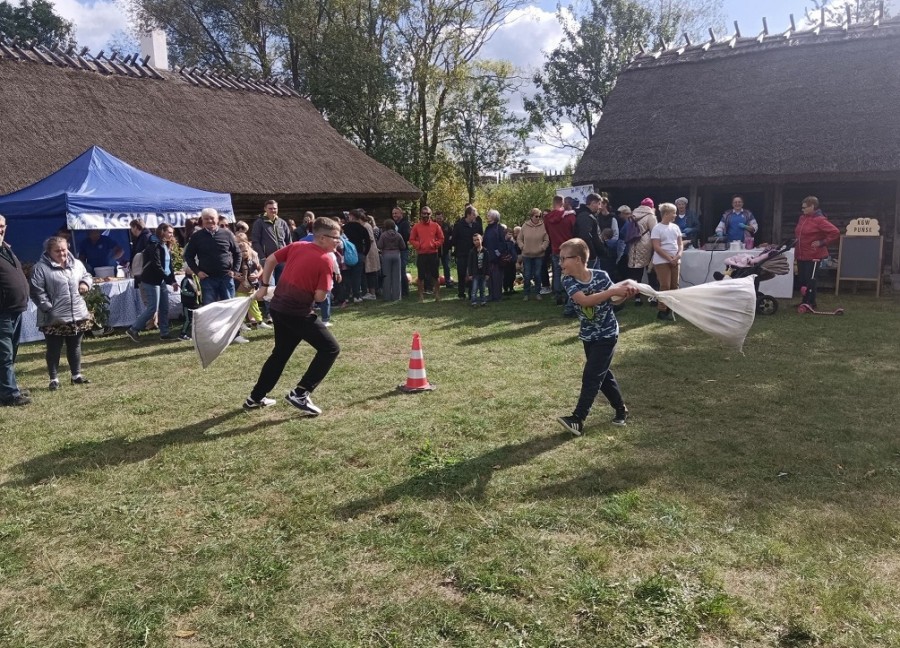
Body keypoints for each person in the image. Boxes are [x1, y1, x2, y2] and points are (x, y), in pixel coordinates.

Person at [244, 217, 342, 416]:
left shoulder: (297, 245)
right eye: (335, 238)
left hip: (278, 308)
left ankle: (255, 397)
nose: (337, 242)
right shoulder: (325, 260)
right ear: (322, 238)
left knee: (280, 354)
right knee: (330, 349)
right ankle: (300, 393)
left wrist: (263, 287)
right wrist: (326, 288)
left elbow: (270, 259)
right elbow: (320, 297)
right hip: (297, 312)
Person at [556, 237, 636, 436]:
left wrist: (624, 294)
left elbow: (614, 302)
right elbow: (584, 301)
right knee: (603, 375)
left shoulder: (601, 276)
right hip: (588, 336)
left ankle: (578, 419)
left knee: (592, 375)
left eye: (563, 258)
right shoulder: (567, 280)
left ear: (577, 259)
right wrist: (612, 292)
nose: (560, 263)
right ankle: (621, 410)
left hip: (607, 334)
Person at [30, 236, 94, 389]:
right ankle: (54, 379)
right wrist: (48, 308)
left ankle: (76, 375)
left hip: (77, 314)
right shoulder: (40, 268)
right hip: (53, 317)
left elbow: (87, 275)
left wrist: (85, 284)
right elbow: (36, 291)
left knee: (75, 346)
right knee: (54, 348)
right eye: (57, 251)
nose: (62, 253)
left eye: (64, 250)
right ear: (48, 252)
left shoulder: (77, 264)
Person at [183, 208, 246, 342]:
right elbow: (188, 255)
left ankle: (235, 335)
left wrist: (234, 270)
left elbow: (237, 253)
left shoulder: (227, 234)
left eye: (212, 218)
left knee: (230, 307)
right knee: (209, 309)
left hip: (226, 277)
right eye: (206, 218)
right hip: (208, 279)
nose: (209, 221)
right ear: (203, 221)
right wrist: (197, 271)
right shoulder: (197, 236)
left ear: (217, 219)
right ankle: (211, 335)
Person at [125, 223, 180, 342]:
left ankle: (164, 333)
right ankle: (133, 329)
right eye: (169, 232)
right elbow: (157, 265)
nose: (171, 235)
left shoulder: (165, 246)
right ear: (162, 232)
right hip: (151, 280)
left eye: (172, 233)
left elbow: (169, 266)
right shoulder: (154, 245)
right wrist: (169, 280)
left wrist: (173, 280)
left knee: (164, 307)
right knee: (152, 308)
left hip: (161, 280)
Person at [0, 214, 31, 406]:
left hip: (15, 309)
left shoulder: (6, 248)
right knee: (4, 353)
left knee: (11, 351)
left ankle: (7, 387)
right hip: (2, 312)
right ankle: (10, 394)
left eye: (2, 225)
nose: (0, 229)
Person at [794, 196, 840, 311]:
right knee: (802, 279)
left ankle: (810, 302)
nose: (802, 209)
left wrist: (822, 242)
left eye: (804, 207)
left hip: (813, 255)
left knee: (811, 280)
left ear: (812, 207)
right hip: (801, 254)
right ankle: (804, 301)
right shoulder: (802, 218)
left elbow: (835, 232)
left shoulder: (820, 220)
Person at [650, 202, 683, 321]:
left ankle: (672, 309)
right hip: (661, 261)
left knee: (675, 285)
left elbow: (680, 244)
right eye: (674, 213)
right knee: (665, 285)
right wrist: (669, 258)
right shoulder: (657, 228)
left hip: (675, 260)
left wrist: (678, 256)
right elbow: (656, 247)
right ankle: (662, 310)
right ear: (666, 213)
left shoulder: (676, 227)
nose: (675, 215)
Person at [626, 198, 658, 306]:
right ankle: (653, 297)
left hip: (634, 244)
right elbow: (655, 231)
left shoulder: (633, 215)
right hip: (646, 243)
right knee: (651, 270)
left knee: (636, 272)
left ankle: (637, 298)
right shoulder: (650, 216)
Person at [544, 195, 576, 305]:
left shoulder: (547, 218)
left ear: (553, 203)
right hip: (569, 248)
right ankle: (568, 294)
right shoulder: (570, 216)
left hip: (555, 249)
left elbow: (548, 233)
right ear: (563, 203)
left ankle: (558, 295)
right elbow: (574, 231)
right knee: (569, 273)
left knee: (557, 273)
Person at [409, 205, 444, 302]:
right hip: (422, 254)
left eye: (427, 214)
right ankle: (421, 296)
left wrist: (435, 244)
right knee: (421, 276)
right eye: (423, 214)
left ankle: (437, 295)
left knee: (435, 275)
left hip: (433, 254)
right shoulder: (416, 226)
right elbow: (411, 239)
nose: (425, 215)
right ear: (420, 214)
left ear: (430, 214)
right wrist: (418, 245)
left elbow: (441, 238)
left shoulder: (436, 225)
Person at [451, 205, 483, 300]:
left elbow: (481, 237)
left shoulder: (477, 225)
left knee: (473, 273)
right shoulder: (459, 225)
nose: (475, 216)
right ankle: (461, 293)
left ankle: (471, 293)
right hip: (462, 253)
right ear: (468, 215)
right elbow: (454, 239)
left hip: (474, 253)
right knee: (461, 273)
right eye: (474, 214)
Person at [517, 209, 548, 300]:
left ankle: (538, 293)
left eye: (539, 216)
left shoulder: (543, 226)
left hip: (539, 255)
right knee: (527, 275)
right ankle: (526, 294)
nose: (538, 218)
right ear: (531, 216)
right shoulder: (525, 226)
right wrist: (522, 246)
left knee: (538, 274)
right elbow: (519, 239)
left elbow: (546, 240)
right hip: (527, 255)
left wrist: (542, 248)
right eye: (536, 216)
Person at [574, 193, 605, 269]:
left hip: (591, 254)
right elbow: (585, 235)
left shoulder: (587, 215)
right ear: (593, 203)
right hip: (590, 255)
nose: (600, 207)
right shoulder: (585, 216)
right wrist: (592, 254)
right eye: (599, 204)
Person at [377, 218, 406, 302]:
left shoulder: (383, 235)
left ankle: (387, 296)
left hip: (386, 255)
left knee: (386, 276)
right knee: (397, 276)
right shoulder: (398, 235)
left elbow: (379, 245)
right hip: (396, 255)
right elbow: (403, 246)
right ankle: (397, 296)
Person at [482, 209, 506, 302]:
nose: (487, 216)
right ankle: (491, 295)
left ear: (494, 217)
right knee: (489, 277)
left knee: (497, 277)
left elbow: (502, 243)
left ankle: (497, 296)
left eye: (489, 215)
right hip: (488, 255)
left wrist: (497, 253)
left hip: (496, 258)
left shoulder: (499, 228)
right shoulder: (488, 228)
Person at [391, 207, 412, 297]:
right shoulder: (393, 224)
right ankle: (397, 289)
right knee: (395, 270)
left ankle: (405, 291)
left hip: (403, 250)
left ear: (401, 214)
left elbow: (407, 236)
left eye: (396, 213)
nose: (394, 215)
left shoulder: (405, 224)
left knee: (402, 269)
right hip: (394, 250)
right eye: (393, 213)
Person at [467, 233, 489, 306]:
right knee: (474, 289)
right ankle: (474, 301)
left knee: (482, 289)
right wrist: (470, 274)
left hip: (483, 273)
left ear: (481, 240)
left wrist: (487, 273)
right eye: (474, 240)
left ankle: (483, 301)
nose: (476, 241)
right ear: (473, 241)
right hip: (475, 273)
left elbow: (487, 263)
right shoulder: (472, 252)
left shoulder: (485, 251)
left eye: (478, 239)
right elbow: (470, 264)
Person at [434, 211, 455, 288]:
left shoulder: (447, 225)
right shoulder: (433, 225)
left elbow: (452, 235)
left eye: (440, 218)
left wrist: (450, 244)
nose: (439, 219)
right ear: (435, 218)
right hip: (436, 249)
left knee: (446, 266)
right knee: (435, 266)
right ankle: (435, 282)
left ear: (443, 217)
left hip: (446, 249)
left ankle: (448, 281)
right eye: (437, 218)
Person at [179, 269, 200, 341]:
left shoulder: (195, 278)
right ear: (187, 270)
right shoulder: (186, 280)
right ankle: (182, 334)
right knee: (188, 320)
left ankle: (194, 333)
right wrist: (194, 294)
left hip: (194, 303)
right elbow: (183, 291)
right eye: (190, 268)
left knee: (194, 320)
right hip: (187, 303)